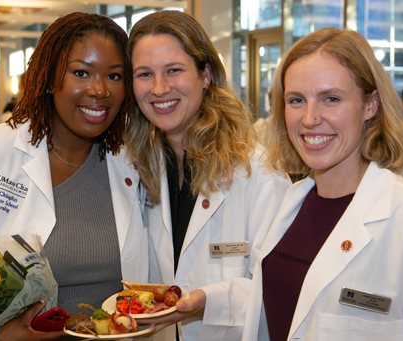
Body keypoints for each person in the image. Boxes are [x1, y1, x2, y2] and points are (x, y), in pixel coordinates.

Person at [197, 27, 403, 341]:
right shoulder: (289, 204)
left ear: (371, 105)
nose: (309, 118)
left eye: (330, 98)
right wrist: (201, 301)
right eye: (296, 100)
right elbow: (279, 306)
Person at [0, 13, 148, 340]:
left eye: (115, 76)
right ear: (49, 78)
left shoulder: (137, 162)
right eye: (81, 72)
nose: (99, 89)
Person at [124, 11, 291, 340]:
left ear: (206, 74)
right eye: (145, 74)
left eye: (174, 70)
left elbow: (281, 289)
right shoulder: (135, 166)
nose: (159, 88)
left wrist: (209, 302)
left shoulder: (257, 172)